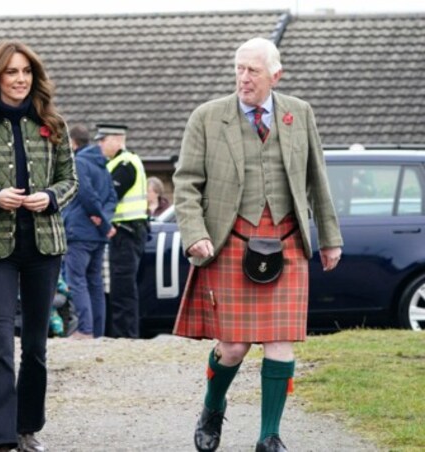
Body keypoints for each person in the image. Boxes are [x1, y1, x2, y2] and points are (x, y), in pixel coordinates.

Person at [172, 37, 343, 452]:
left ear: (275, 75)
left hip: (285, 240)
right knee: (232, 347)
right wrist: (194, 232)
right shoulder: (208, 117)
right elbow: (186, 182)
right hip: (230, 239)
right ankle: (212, 409)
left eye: (252, 70)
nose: (243, 78)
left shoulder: (298, 113)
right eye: (238, 69)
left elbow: (317, 178)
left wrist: (330, 237)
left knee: (280, 343)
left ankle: (269, 436)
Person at [0, 40, 77, 452]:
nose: (20, 79)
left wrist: (50, 197)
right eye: (12, 72)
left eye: (26, 72)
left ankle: (26, 428)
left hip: (44, 247)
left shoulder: (54, 124)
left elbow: (72, 180)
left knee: (35, 345)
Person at [61, 138, 117, 339]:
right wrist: (105, 223)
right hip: (98, 236)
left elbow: (85, 193)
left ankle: (85, 329)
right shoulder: (103, 166)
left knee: (77, 280)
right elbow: (112, 197)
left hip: (79, 232)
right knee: (95, 282)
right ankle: (97, 331)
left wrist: (100, 220)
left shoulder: (79, 162)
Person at [97, 124, 148, 338]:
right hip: (124, 232)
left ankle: (125, 335)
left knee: (123, 289)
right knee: (119, 287)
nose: (99, 144)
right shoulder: (116, 163)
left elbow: (110, 196)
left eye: (103, 140)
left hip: (127, 232)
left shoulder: (125, 164)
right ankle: (122, 333)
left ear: (117, 140)